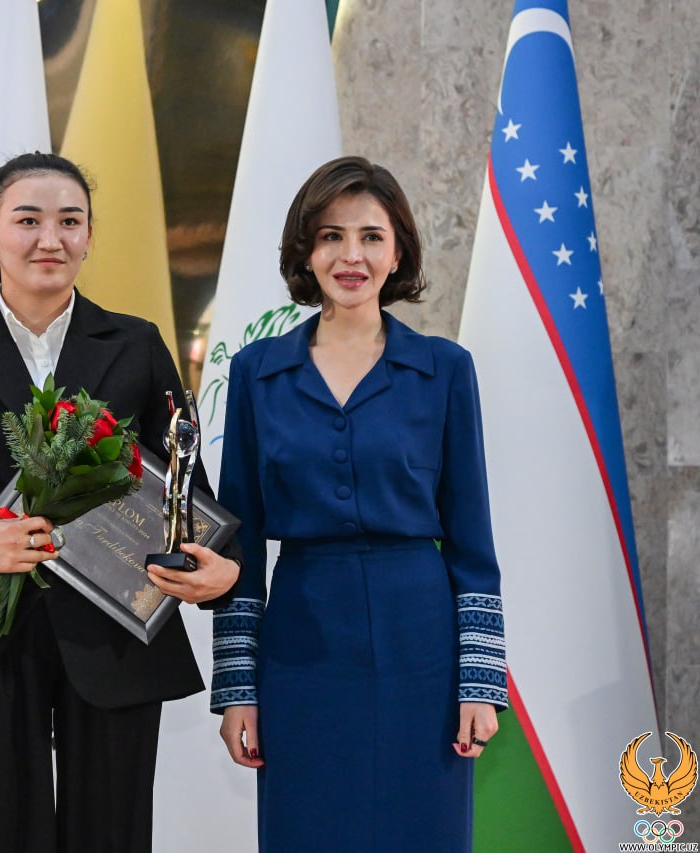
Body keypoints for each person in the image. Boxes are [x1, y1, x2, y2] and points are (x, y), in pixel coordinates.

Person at [0, 152, 239, 853]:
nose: (51, 239)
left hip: (114, 634)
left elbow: (186, 488)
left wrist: (224, 568)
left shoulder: (136, 344)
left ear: (89, 236)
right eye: (29, 221)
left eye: (70, 221)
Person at [210, 156, 508, 850]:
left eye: (371, 236)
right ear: (306, 252)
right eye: (331, 236)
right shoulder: (257, 372)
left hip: (423, 649)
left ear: (398, 251)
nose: (352, 256)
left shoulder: (445, 369)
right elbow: (239, 545)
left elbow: (473, 543)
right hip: (300, 646)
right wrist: (238, 688)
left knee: (423, 831)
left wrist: (480, 682)